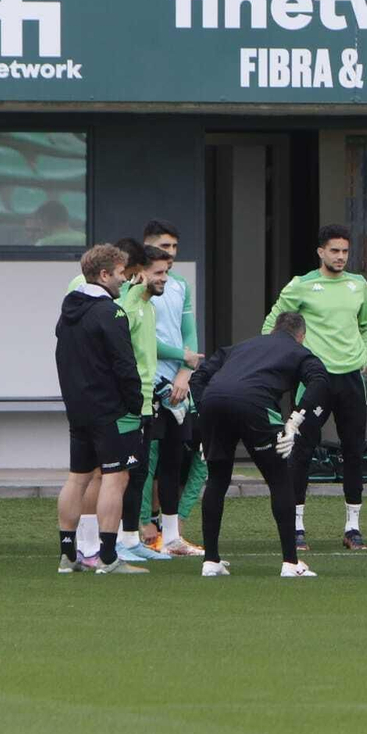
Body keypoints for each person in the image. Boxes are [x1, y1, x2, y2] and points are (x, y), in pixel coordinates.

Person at [262, 224, 367, 551]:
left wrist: (365, 353)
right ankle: (297, 527)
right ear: (321, 252)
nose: (340, 257)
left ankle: (352, 528)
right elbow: (272, 326)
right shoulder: (301, 285)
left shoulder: (358, 285)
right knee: (301, 452)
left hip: (351, 379)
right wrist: (289, 361)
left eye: (345, 251)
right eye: (334, 251)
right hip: (314, 379)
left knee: (354, 451)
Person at [188, 313, 327, 577]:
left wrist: (204, 420)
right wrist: (296, 419)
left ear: (273, 329)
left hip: (213, 402)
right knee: (279, 480)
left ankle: (211, 561)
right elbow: (321, 381)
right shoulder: (299, 351)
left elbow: (198, 377)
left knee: (217, 479)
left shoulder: (240, 346)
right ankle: (291, 563)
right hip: (254, 405)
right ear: (301, 335)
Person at [55, 243, 147, 575]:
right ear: (105, 274)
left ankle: (68, 555)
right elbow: (125, 366)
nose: (126, 279)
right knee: (115, 476)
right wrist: (135, 406)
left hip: (77, 408)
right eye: (122, 273)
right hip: (109, 410)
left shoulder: (67, 313)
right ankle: (108, 558)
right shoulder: (111, 313)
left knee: (77, 478)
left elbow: (62, 359)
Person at [139, 219, 206, 557]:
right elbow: (142, 339)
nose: (171, 254)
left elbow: (188, 331)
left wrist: (184, 372)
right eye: (164, 247)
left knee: (173, 458)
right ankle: (139, 528)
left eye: (174, 248)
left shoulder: (178, 284)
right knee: (143, 460)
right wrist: (184, 356)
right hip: (148, 384)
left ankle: (172, 535)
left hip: (179, 387)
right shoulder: (135, 285)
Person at [116, 242, 173, 563]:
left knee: (139, 474)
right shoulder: (127, 307)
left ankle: (130, 538)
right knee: (120, 474)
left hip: (149, 402)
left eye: (167, 271)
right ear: (140, 274)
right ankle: (110, 540)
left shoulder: (149, 307)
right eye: (159, 273)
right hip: (130, 404)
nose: (165, 278)